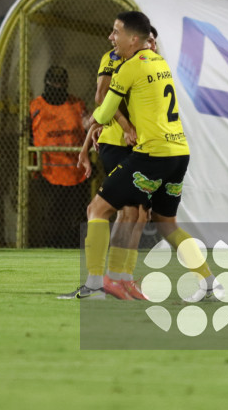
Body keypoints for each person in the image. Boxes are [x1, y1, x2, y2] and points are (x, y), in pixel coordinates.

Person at [59, 11, 218, 300]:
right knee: (166, 223)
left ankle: (96, 285)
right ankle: (208, 283)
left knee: (98, 210)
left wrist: (90, 122)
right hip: (178, 152)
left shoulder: (129, 67)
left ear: (134, 39)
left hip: (151, 154)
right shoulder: (161, 62)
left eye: (116, 32)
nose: (111, 38)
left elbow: (105, 109)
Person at [76, 28, 159, 301]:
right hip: (117, 144)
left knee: (138, 215)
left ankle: (121, 278)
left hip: (140, 147)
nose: (112, 37)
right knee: (113, 210)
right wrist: (91, 143)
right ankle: (104, 280)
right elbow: (103, 100)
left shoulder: (151, 66)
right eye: (150, 39)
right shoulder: (113, 59)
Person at [29, 65, 90, 247]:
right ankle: (52, 254)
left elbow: (88, 127)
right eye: (53, 83)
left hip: (76, 174)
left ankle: (73, 254)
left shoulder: (77, 105)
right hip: (49, 174)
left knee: (76, 221)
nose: (57, 87)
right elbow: (28, 135)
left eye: (60, 83)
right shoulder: (36, 107)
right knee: (52, 222)